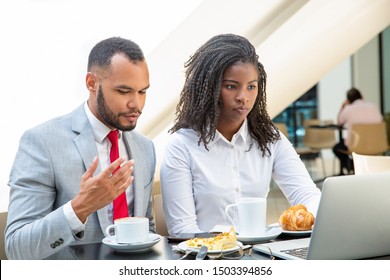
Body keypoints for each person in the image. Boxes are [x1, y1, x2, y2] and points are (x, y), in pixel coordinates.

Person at [5, 37, 156, 259]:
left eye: (142, 92)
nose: (136, 104)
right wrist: (80, 208)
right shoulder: (42, 142)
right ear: (92, 83)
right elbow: (17, 248)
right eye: (124, 92)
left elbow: (148, 231)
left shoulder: (145, 148)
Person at [160, 33, 321, 236]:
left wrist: (319, 216)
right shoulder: (182, 145)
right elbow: (183, 230)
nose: (243, 97)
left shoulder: (269, 138)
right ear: (209, 88)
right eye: (231, 86)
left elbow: (307, 195)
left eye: (251, 87)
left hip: (260, 253)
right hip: (209, 257)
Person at [332, 87, 382, 175]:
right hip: (376, 144)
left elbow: (340, 123)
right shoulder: (373, 107)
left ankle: (352, 167)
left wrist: (343, 107)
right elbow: (380, 121)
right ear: (362, 97)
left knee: (337, 148)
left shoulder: (348, 109)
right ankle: (358, 167)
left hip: (356, 145)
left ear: (348, 100)